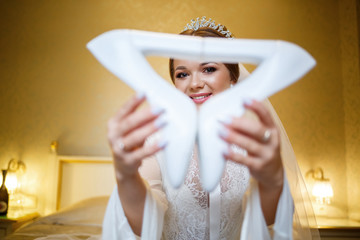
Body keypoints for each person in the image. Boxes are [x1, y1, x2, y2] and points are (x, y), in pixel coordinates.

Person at [102, 17, 319, 239]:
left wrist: (272, 179)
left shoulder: (254, 140)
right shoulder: (156, 141)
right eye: (182, 74)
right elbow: (145, 225)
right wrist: (126, 176)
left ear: (233, 77)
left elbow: (268, 219)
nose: (194, 83)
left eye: (209, 69)